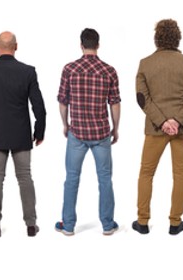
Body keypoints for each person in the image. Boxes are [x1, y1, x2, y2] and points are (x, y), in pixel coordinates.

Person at [0, 31, 47, 238]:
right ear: (16, 46)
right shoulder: (28, 72)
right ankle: (31, 224)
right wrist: (39, 132)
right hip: (21, 134)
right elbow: (39, 106)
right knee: (25, 177)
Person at [132, 19, 183, 236]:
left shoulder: (145, 63)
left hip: (155, 128)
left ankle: (142, 221)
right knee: (180, 173)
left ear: (157, 39)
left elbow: (142, 98)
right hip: (182, 128)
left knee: (146, 172)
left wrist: (163, 122)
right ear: (177, 38)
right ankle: (175, 222)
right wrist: (177, 121)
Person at [53, 28, 121, 236]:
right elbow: (115, 104)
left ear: (81, 45)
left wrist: (66, 124)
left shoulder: (70, 69)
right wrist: (115, 129)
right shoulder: (109, 71)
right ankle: (108, 225)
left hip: (78, 132)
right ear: (98, 45)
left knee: (71, 178)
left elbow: (63, 102)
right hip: (101, 134)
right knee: (105, 179)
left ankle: (69, 225)